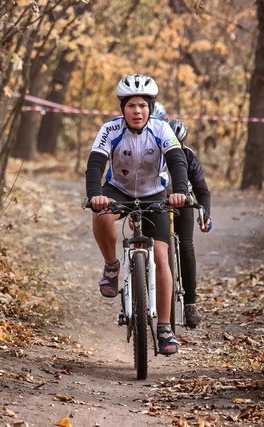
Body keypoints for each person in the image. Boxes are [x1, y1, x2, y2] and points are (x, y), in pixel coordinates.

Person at [85, 73, 189, 356]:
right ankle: (111, 267)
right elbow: (95, 163)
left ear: (150, 107)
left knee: (160, 255)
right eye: (131, 105)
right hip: (117, 190)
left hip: (154, 192)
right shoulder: (110, 129)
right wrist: (95, 194)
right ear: (123, 109)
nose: (137, 111)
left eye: (143, 105)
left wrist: (180, 191)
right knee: (102, 215)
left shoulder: (162, 129)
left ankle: (165, 327)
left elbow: (177, 161)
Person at [168, 118, 212, 328]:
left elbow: (202, 191)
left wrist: (205, 214)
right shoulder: (149, 152)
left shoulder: (189, 156)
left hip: (183, 202)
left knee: (185, 245)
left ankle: (190, 304)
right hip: (155, 201)